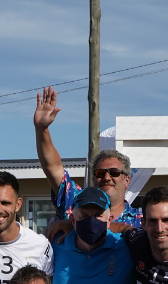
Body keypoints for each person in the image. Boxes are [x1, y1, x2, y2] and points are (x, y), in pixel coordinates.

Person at [33, 86, 141, 227]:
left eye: (114, 172)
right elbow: (52, 168)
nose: (107, 178)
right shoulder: (75, 203)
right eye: (100, 173)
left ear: (127, 180)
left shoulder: (142, 221)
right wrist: (42, 129)